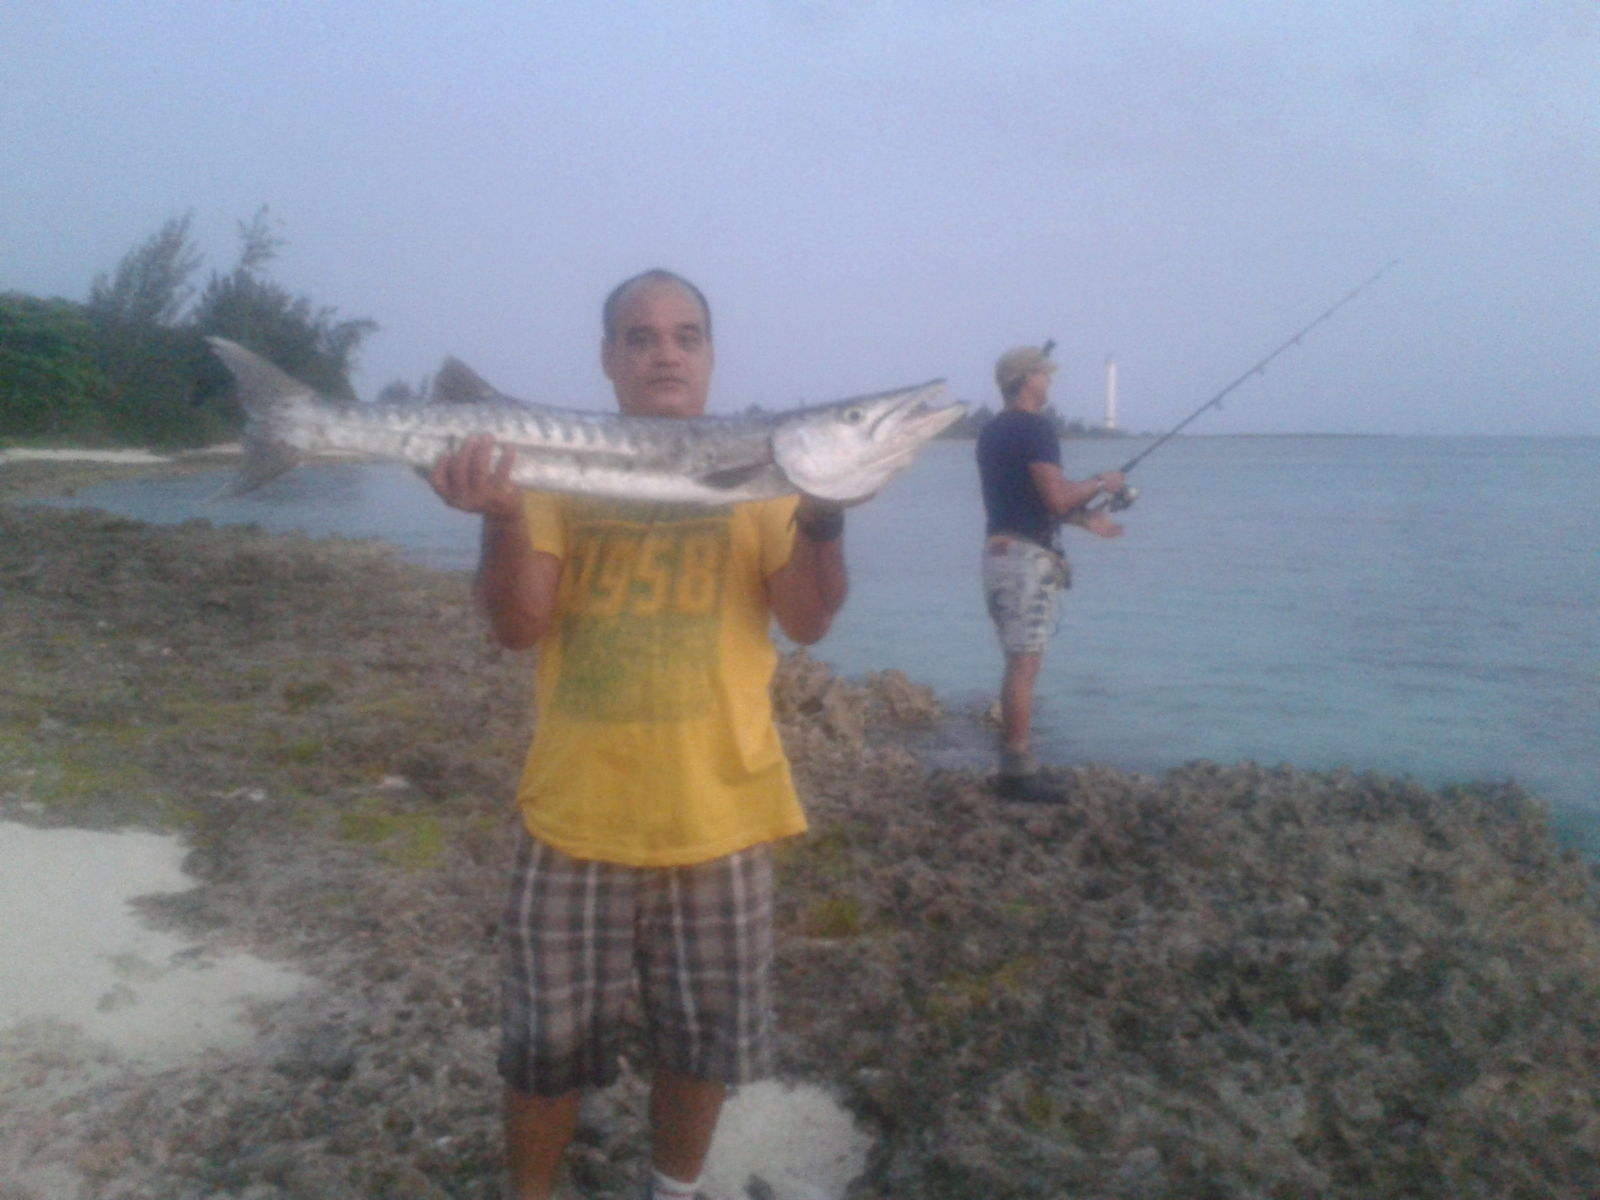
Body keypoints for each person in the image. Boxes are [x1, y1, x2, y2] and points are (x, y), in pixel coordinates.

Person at [428, 269, 849, 1200]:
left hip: (724, 813)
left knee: (701, 1047)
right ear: (610, 359)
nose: (665, 351)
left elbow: (810, 620)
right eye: (642, 335)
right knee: (542, 1053)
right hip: (577, 812)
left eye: (686, 335)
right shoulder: (543, 466)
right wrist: (499, 517)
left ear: (709, 356)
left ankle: (674, 1191)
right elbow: (516, 626)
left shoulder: (768, 471)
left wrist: (824, 508)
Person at [976, 344, 1125, 803]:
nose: (1050, 382)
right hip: (1024, 560)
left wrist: (1085, 521)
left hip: (998, 553)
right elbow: (1057, 499)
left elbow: (1028, 503)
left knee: (1019, 660)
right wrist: (1103, 482)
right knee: (1025, 664)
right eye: (1045, 375)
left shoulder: (993, 432)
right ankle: (1016, 774)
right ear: (1028, 380)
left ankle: (1014, 765)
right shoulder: (1035, 428)